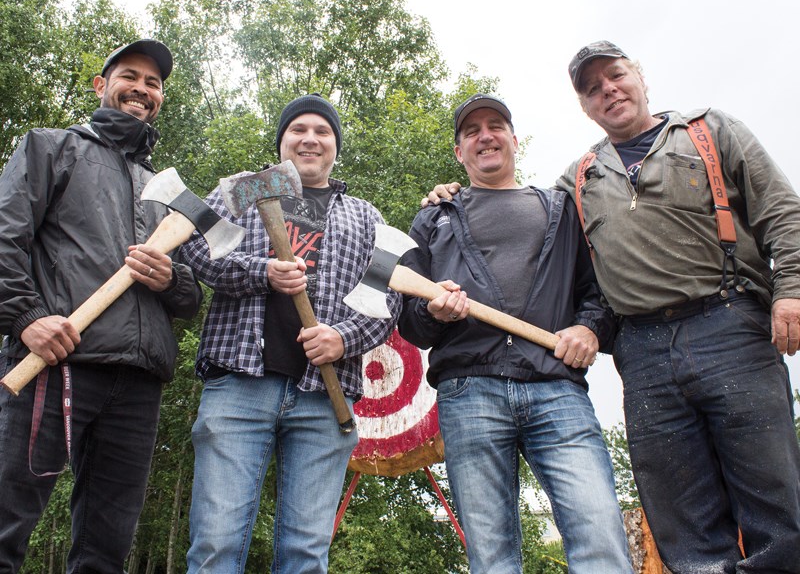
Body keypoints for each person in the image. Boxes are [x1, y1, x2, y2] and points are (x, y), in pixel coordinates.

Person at [555, 41, 800, 574]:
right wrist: (453, 195)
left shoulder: (711, 131)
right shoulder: (579, 178)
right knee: (682, 522)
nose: (608, 91)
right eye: (592, 89)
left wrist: (793, 290)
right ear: (585, 107)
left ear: (639, 76)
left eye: (615, 76)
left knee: (774, 504)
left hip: (731, 326)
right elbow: (525, 221)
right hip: (642, 357)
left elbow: (784, 211)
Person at [397, 93, 632, 574]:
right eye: (471, 131)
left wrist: (589, 329)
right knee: (492, 556)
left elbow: (598, 292)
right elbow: (409, 321)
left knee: (600, 536)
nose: (485, 135)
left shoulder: (561, 209)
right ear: (459, 152)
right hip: (469, 391)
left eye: (495, 126)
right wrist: (435, 314)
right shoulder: (434, 218)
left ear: (513, 140)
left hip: (557, 389)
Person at [0, 39, 203, 573]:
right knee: (6, 520)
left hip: (138, 383)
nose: (142, 90)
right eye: (130, 76)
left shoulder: (167, 191)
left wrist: (171, 279)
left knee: (105, 549)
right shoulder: (50, 148)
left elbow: (192, 295)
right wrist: (26, 318)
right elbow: (4, 237)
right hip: (57, 361)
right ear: (101, 85)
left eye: (154, 83)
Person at [182, 93, 400, 573]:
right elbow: (194, 250)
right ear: (282, 140)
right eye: (298, 129)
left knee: (305, 554)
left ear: (335, 146)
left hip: (326, 397)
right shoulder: (243, 190)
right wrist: (262, 272)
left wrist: (342, 338)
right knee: (216, 543)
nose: (310, 139)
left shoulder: (365, 218)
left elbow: (388, 299)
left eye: (322, 131)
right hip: (239, 385)